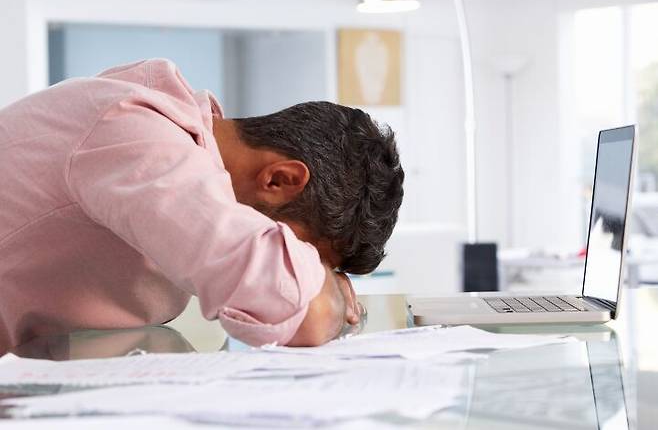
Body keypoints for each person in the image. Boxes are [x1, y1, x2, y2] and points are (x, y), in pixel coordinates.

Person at [0, 59, 404, 353]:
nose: (305, 268)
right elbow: (302, 313)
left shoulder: (178, 154)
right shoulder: (133, 129)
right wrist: (327, 296)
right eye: (302, 252)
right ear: (278, 180)